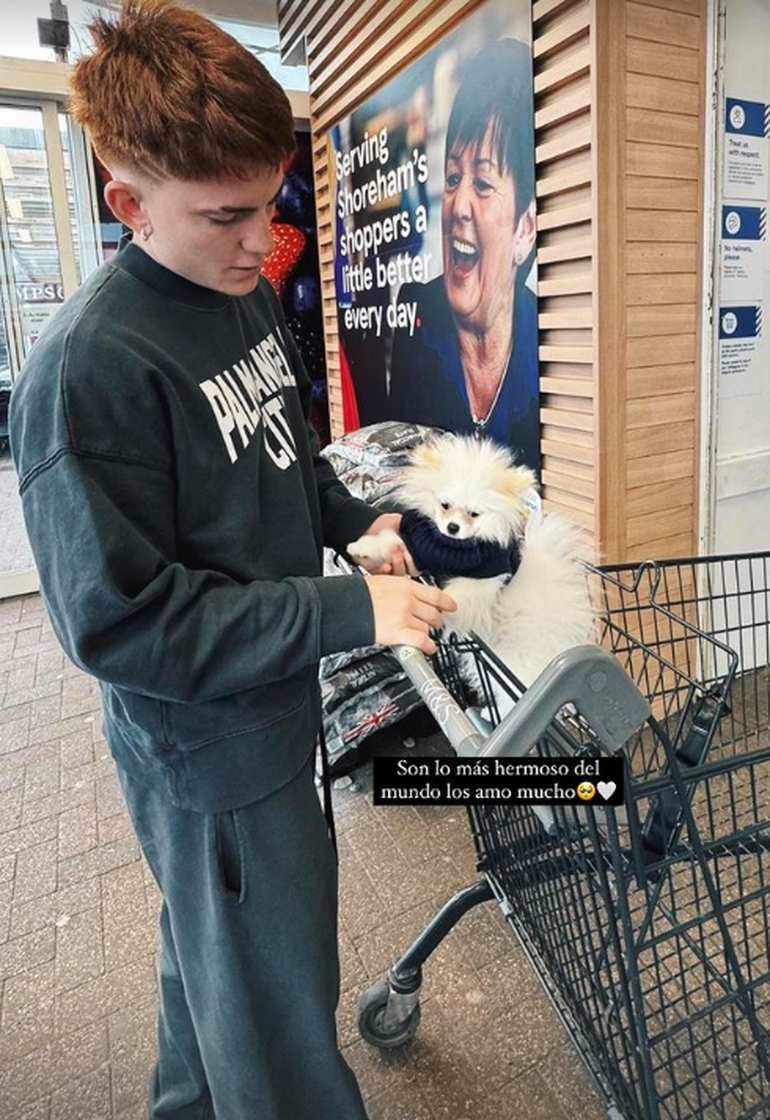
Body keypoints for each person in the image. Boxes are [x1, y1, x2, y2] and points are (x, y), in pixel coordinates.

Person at [9, 2, 455, 1117]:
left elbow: (284, 450)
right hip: (207, 751)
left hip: (269, 706)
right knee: (279, 1009)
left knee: (214, 965)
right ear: (127, 203)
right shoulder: (89, 370)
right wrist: (348, 613)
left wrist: (351, 520)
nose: (266, 242)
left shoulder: (238, 291)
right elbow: (122, 623)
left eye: (269, 202)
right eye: (228, 215)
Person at [388, 38, 540, 474]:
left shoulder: (546, 340)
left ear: (525, 228)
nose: (459, 205)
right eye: (454, 177)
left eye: (484, 184)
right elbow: (400, 473)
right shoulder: (418, 318)